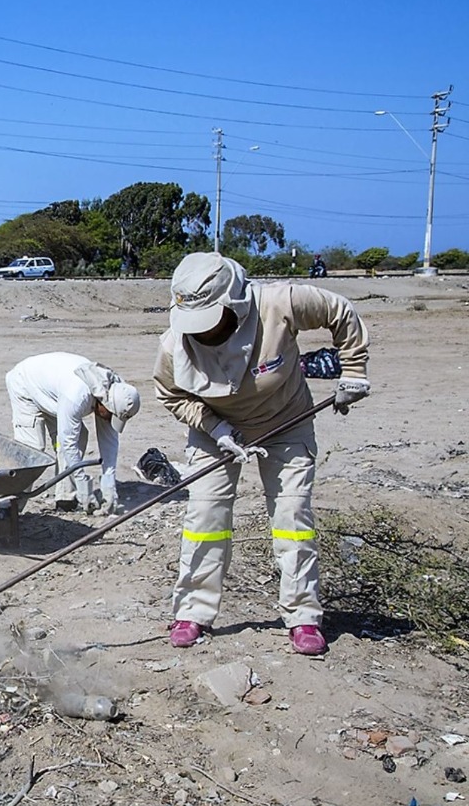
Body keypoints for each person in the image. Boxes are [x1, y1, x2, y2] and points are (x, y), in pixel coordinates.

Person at [154, 252, 370, 656]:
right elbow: (171, 394)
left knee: (292, 518)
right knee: (205, 518)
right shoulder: (173, 346)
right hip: (216, 430)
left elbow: (340, 311)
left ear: (234, 304)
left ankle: (303, 617)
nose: (204, 332)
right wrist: (215, 428)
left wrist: (354, 371)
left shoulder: (279, 303)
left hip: (286, 423)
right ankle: (192, 612)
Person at [4, 352, 141, 515]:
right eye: (110, 415)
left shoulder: (116, 393)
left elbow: (109, 443)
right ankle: (8, 506)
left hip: (54, 393)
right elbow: (68, 442)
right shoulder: (77, 395)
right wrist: (82, 483)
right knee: (32, 449)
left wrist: (109, 485)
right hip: (26, 386)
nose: (109, 420)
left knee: (79, 437)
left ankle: (65, 498)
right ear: (104, 404)